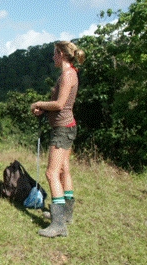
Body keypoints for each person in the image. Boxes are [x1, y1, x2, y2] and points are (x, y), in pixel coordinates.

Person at [30, 41, 85, 238]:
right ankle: (65, 214)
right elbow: (60, 104)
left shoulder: (68, 74)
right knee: (63, 170)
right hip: (67, 127)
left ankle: (59, 224)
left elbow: (61, 104)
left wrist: (38, 103)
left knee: (51, 173)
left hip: (62, 130)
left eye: (54, 53)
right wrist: (44, 108)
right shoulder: (69, 73)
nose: (52, 57)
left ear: (61, 54)